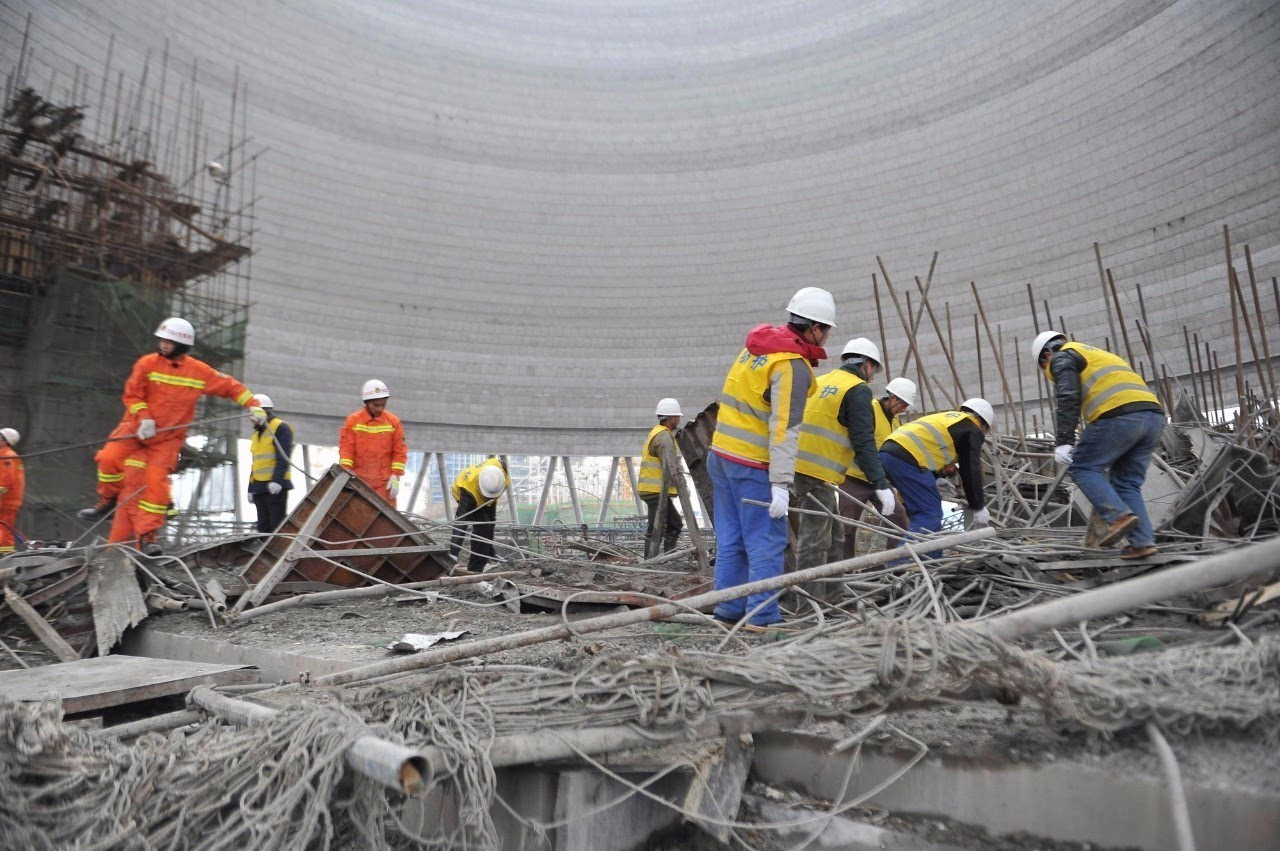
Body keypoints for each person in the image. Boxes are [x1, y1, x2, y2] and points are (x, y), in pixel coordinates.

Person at [78, 318, 266, 556]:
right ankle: (107, 501)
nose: (164, 345)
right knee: (108, 458)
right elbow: (132, 395)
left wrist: (253, 405)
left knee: (156, 486)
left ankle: (148, 537)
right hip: (135, 429)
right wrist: (144, 417)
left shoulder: (198, 372)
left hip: (167, 440)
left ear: (182, 345)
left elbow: (230, 386)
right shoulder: (147, 364)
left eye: (169, 342)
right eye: (162, 340)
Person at [709, 286, 834, 629]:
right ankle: (762, 617)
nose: (825, 339)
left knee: (732, 538)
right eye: (826, 331)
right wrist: (781, 482)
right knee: (767, 540)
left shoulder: (756, 348)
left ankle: (728, 610)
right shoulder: (791, 365)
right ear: (815, 328)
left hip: (720, 456)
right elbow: (785, 428)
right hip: (752, 464)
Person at [1032, 331, 1164, 558]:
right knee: (1127, 483)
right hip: (1154, 418)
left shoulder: (1062, 356)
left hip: (1117, 417)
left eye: (1044, 366)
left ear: (1046, 354)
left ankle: (1118, 516)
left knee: (1083, 467)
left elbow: (1068, 395)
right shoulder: (1099, 354)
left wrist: (1063, 441)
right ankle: (1142, 542)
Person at [792, 338, 897, 569]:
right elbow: (863, 441)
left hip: (798, 468)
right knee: (816, 541)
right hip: (817, 474)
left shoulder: (820, 382)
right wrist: (880, 483)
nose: (871, 377)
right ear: (867, 364)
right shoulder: (858, 390)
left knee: (835, 537)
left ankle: (835, 597)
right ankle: (811, 603)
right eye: (873, 371)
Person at [880, 398, 994, 540]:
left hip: (888, 453)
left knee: (924, 514)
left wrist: (939, 474)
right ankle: (907, 558)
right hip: (907, 459)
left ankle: (931, 560)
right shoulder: (972, 429)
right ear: (982, 422)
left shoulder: (947, 419)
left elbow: (928, 452)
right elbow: (970, 468)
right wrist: (978, 505)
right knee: (929, 514)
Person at [837, 377, 915, 557]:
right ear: (893, 398)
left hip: (880, 481)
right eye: (903, 404)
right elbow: (860, 443)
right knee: (847, 527)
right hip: (853, 478)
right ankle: (844, 572)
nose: (905, 409)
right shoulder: (869, 410)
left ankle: (896, 565)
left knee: (899, 519)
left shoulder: (895, 421)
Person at [339, 379, 407, 503]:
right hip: (358, 483)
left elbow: (400, 451)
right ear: (367, 402)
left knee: (385, 521)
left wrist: (395, 476)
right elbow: (347, 450)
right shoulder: (353, 421)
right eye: (376, 405)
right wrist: (345, 473)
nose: (380, 408)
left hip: (384, 485)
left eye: (383, 404)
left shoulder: (393, 422)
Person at [638, 398, 685, 558]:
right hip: (655, 490)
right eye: (678, 417)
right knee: (656, 527)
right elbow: (670, 466)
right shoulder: (663, 436)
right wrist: (681, 484)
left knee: (674, 524)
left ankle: (665, 558)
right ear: (671, 418)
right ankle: (651, 560)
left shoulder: (658, 433)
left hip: (655, 490)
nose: (679, 420)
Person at [450, 457, 509, 572]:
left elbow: (491, 517)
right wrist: (453, 553)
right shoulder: (469, 493)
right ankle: (476, 567)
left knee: (490, 521)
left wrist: (491, 551)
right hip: (468, 496)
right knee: (483, 527)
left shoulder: (499, 469)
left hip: (487, 494)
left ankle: (490, 554)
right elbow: (460, 524)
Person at [247, 394, 293, 534]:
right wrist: (250, 488)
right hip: (260, 487)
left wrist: (277, 481)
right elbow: (255, 464)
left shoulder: (280, 428)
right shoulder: (256, 435)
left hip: (275, 487)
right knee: (263, 527)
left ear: (263, 411)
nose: (251, 418)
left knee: (276, 526)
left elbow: (283, 456)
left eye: (253, 413)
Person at [0, 428, 24, 555]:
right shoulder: (4, 454)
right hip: (7, 498)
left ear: (5, 441)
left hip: (7, 500)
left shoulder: (7, 455)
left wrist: (1, 491)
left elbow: (7, 478)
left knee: (4, 526)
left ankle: (6, 555)